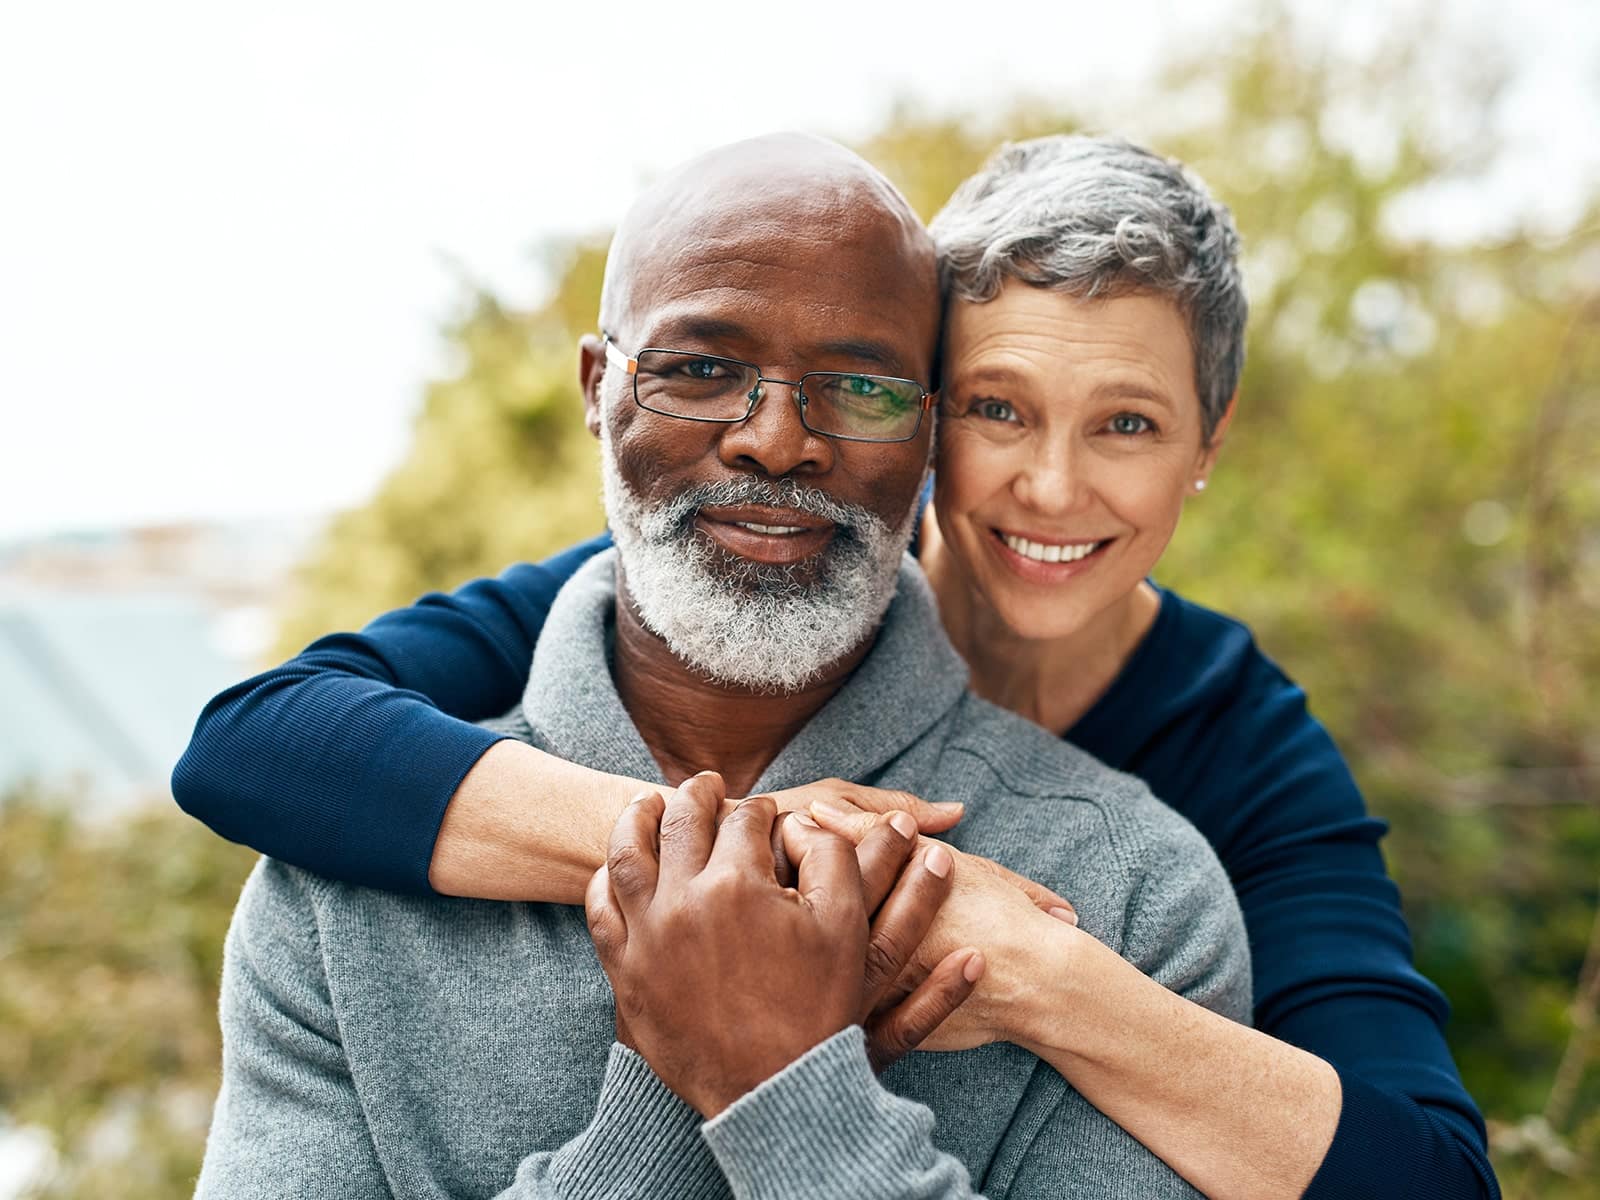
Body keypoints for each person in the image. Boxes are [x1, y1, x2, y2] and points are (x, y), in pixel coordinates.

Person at [177, 136, 1498, 1198]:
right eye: (1000, 408)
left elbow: (1428, 1176)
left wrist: (1029, 988)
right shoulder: (348, 872)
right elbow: (258, 734)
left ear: (1209, 443)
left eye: (1129, 424)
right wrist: (730, 873)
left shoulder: (1169, 858)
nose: (773, 441)